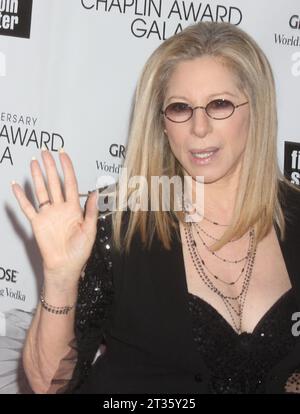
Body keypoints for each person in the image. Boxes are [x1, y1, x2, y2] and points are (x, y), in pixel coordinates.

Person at [11, 21, 300, 394]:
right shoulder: (118, 225)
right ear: (163, 124)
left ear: (256, 110)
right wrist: (61, 277)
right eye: (180, 108)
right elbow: (49, 384)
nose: (199, 127)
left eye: (220, 104)